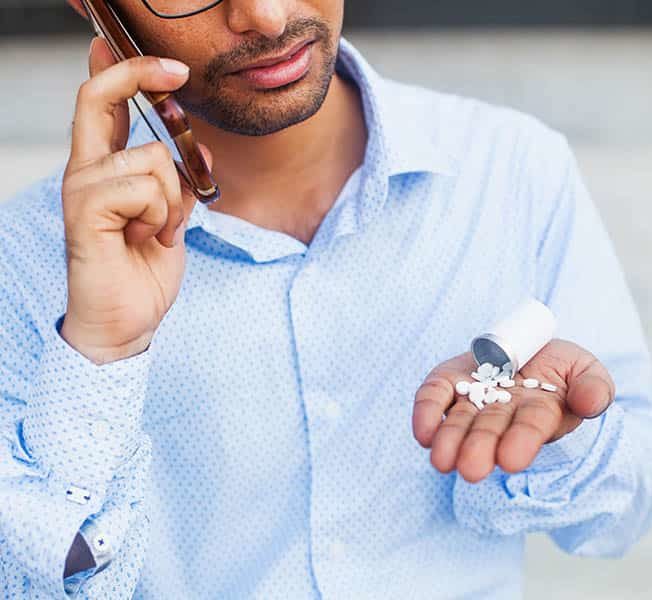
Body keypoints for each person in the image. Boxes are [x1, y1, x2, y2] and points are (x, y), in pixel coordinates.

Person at [1, 0, 651, 598]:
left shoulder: (513, 168)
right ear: (95, 10)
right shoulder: (27, 258)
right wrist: (98, 355)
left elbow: (624, 515)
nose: (264, 13)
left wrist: (566, 437)